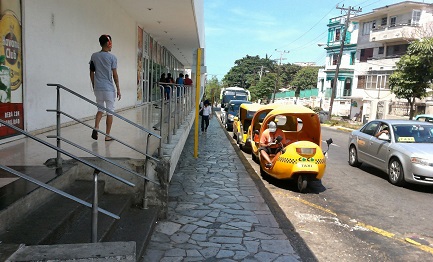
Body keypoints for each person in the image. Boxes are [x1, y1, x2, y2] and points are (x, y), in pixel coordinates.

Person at [89, 34, 120, 141]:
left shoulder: (94, 56)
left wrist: (94, 85)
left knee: (100, 109)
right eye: (111, 42)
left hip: (98, 88)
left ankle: (96, 127)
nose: (112, 45)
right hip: (108, 88)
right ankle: (107, 136)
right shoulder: (112, 57)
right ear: (108, 43)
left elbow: (91, 72)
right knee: (110, 111)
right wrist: (118, 89)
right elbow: (115, 75)